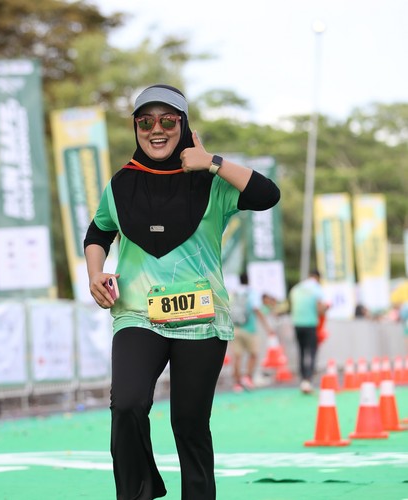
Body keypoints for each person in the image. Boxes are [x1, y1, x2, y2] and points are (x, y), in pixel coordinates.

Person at [83, 83, 280, 499]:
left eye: (168, 120)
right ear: (136, 127)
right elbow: (99, 230)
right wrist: (95, 272)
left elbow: (267, 195)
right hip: (138, 314)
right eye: (145, 122)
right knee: (127, 404)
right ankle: (137, 493)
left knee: (189, 423)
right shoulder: (121, 184)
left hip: (202, 319)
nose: (156, 130)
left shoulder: (212, 181)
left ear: (184, 125)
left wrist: (213, 162)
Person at [229, 272, 276, 391]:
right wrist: (267, 327)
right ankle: (247, 378)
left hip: (235, 329)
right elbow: (257, 310)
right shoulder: (252, 293)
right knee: (254, 354)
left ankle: (237, 383)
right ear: (248, 280)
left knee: (237, 357)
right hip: (249, 329)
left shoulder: (233, 293)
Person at [289, 269, 329, 394]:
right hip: (310, 325)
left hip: (297, 324)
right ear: (317, 278)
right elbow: (320, 310)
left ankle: (302, 379)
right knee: (312, 352)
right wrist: (326, 309)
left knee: (301, 352)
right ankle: (308, 380)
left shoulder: (296, 288)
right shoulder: (316, 289)